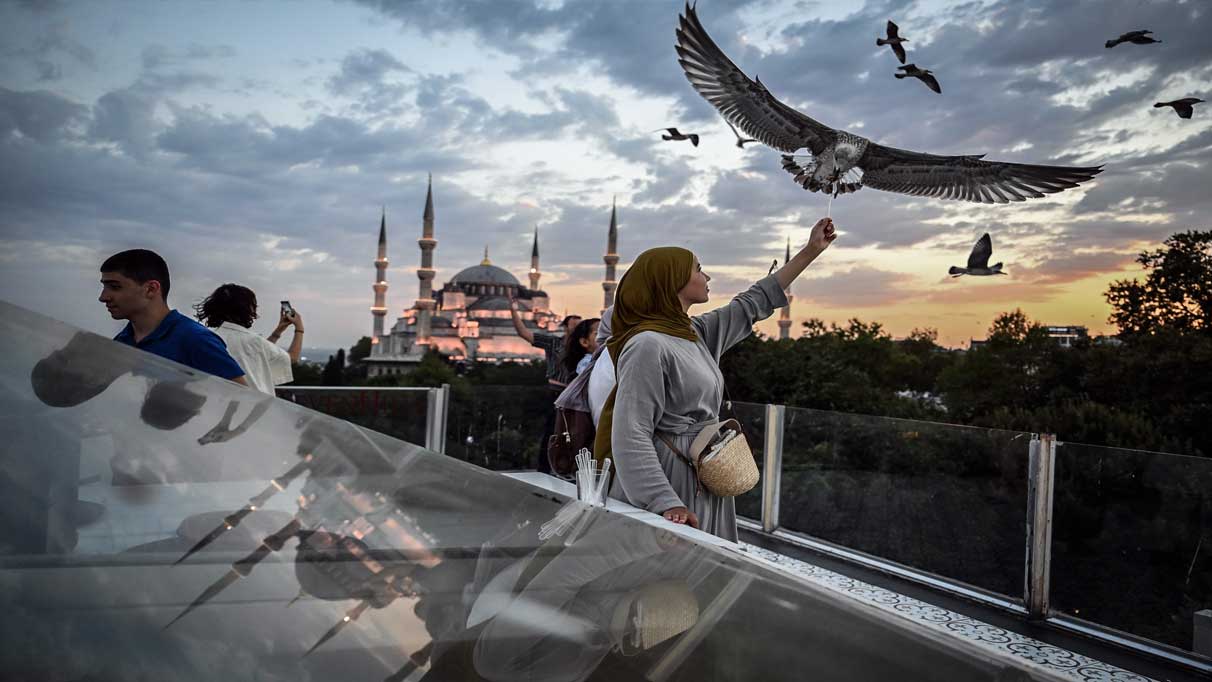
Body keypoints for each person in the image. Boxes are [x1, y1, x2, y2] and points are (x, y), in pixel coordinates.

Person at [595, 217, 837, 541]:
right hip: (672, 478)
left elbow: (752, 303)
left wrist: (811, 251)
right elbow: (631, 431)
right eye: (697, 269)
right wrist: (663, 501)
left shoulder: (692, 333)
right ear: (672, 280)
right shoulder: (647, 345)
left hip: (704, 467)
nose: (706, 276)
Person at [99, 249, 246, 385]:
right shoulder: (123, 340)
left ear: (151, 289)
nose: (103, 297)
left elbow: (244, 400)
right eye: (104, 287)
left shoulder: (196, 340)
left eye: (115, 287)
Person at [509, 301, 582, 473]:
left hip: (575, 396)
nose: (578, 329)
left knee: (573, 433)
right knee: (552, 431)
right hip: (556, 393)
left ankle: (567, 468)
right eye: (575, 325)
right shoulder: (554, 343)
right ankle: (544, 468)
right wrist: (513, 312)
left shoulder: (584, 349)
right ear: (566, 327)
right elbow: (524, 333)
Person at [194, 283, 302, 394]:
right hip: (254, 408)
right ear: (246, 309)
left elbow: (260, 354)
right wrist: (299, 328)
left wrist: (278, 332)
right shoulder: (254, 341)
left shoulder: (209, 338)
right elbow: (292, 358)